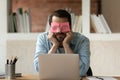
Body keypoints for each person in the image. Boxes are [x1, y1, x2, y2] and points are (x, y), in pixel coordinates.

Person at [34, 9, 90, 76]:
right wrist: (54, 46)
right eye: (55, 27)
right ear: (50, 27)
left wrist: (66, 45)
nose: (59, 31)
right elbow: (38, 68)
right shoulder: (42, 38)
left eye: (64, 27)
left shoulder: (82, 41)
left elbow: (82, 71)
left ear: (70, 26)